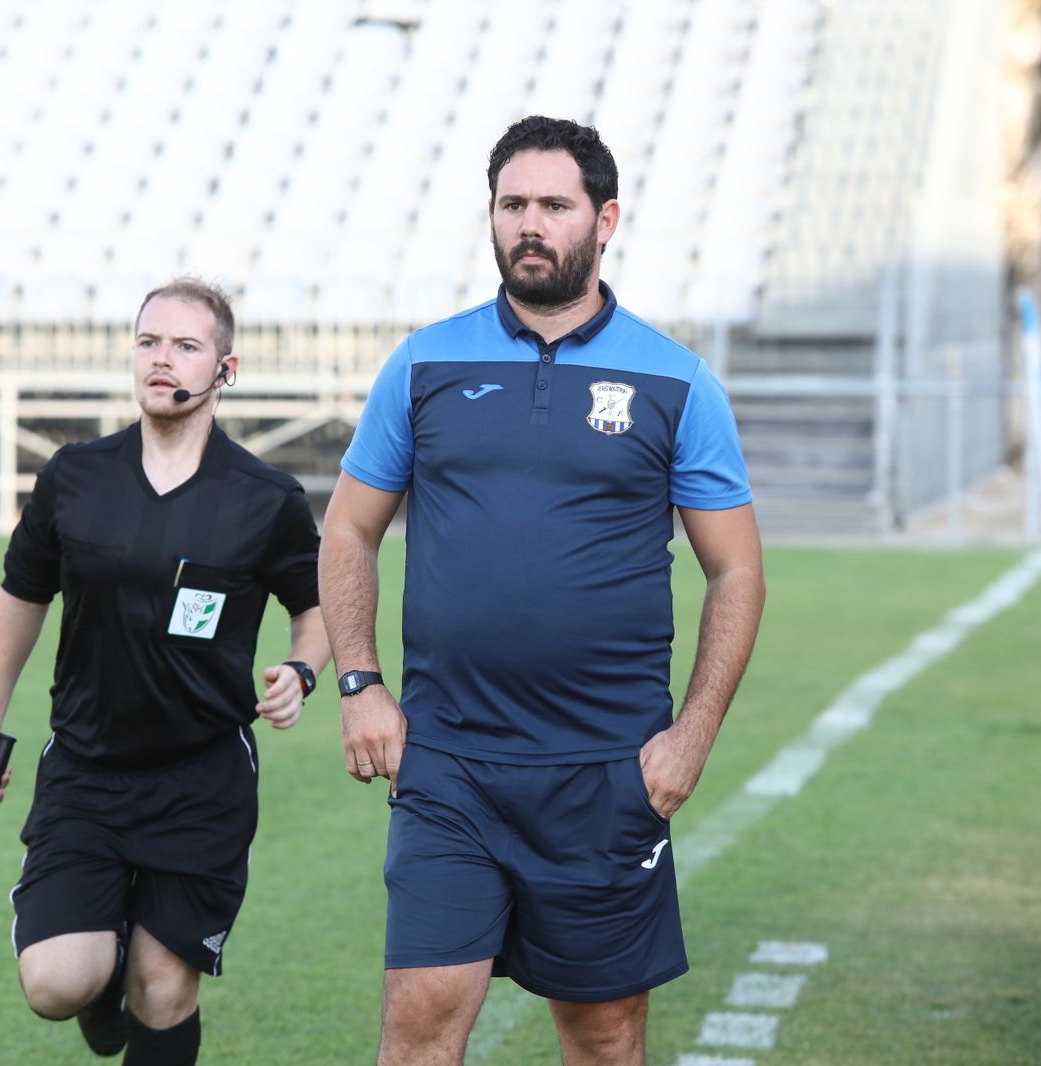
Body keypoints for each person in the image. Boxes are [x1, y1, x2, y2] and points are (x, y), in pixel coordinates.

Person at [318, 116, 766, 1066]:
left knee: (603, 1038)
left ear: (604, 221)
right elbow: (349, 529)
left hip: (607, 770)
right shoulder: (425, 363)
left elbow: (735, 570)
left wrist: (692, 736)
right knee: (419, 1025)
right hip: (448, 763)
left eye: (553, 206)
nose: (530, 223)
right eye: (512, 204)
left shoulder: (677, 381)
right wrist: (359, 684)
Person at [0, 277, 330, 1065]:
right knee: (58, 982)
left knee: (164, 985)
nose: (162, 360)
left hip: (201, 780)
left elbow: (319, 606)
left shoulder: (266, 498)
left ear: (226, 370)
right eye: (149, 342)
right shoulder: (75, 475)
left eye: (186, 346)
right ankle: (104, 978)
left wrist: (302, 669)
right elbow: (22, 595)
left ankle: (136, 973)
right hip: (87, 770)